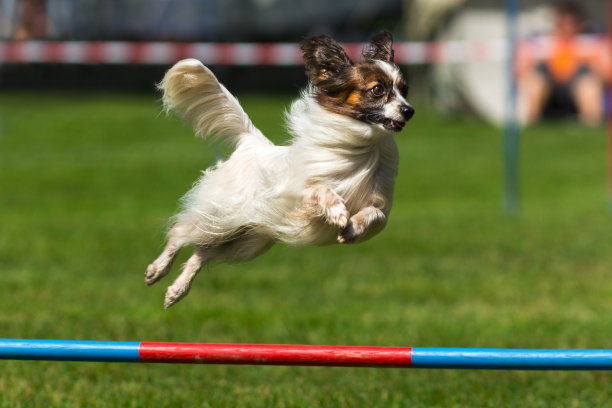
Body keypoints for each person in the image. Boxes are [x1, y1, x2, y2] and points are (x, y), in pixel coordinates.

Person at [517, 2, 610, 126]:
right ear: (556, 22)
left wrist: (590, 58)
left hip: (580, 87)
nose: (568, 27)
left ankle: (591, 125)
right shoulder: (540, 40)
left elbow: (608, 73)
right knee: (535, 82)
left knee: (588, 85)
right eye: (563, 22)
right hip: (550, 88)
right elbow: (520, 69)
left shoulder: (595, 39)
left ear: (580, 22)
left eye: (573, 22)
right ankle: (532, 124)